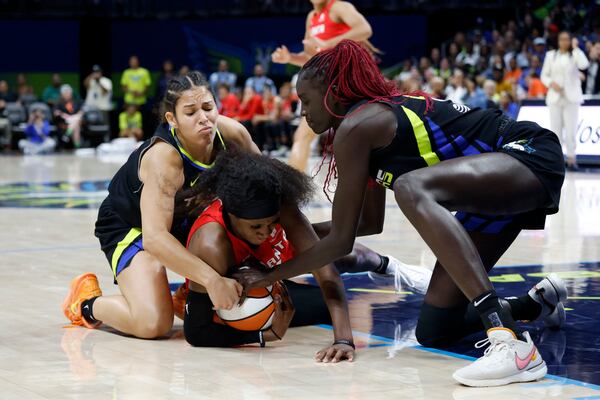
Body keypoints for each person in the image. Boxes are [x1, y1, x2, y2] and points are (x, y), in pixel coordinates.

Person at [235, 40, 568, 387]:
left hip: (524, 155)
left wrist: (267, 275)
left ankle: (509, 342)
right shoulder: (367, 125)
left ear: (333, 92)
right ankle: (534, 304)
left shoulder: (358, 126)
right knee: (436, 329)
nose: (301, 110)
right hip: (488, 191)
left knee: (411, 187)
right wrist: (291, 234)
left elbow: (340, 241)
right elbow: (367, 223)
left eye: (305, 100)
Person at [61, 71, 355, 361]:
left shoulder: (234, 135)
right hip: (134, 226)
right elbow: (156, 238)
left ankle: (189, 294)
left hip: (185, 219)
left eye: (208, 107)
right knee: (153, 324)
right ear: (172, 120)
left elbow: (268, 190)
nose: (203, 118)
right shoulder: (164, 160)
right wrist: (212, 280)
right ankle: (86, 303)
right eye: (190, 112)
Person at [182, 150, 350, 360]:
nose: (266, 232)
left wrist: (343, 341)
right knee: (326, 303)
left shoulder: (282, 206)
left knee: (339, 279)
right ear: (232, 215)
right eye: (256, 226)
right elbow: (196, 332)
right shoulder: (211, 245)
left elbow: (325, 270)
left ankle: (384, 264)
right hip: (226, 297)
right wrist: (263, 335)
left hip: (268, 275)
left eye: (273, 223)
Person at [271, 0, 376, 173]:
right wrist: (289, 58)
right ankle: (291, 194)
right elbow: (311, 57)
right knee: (302, 136)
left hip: (349, 80)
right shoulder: (311, 17)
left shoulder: (338, 7)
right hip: (326, 83)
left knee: (358, 138)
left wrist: (327, 44)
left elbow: (365, 29)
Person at [541, 31, 589, 170]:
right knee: (555, 130)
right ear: (558, 41)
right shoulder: (551, 56)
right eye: (562, 39)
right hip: (555, 98)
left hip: (571, 98)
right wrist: (551, 83)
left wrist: (576, 48)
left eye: (567, 39)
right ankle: (557, 160)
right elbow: (544, 75)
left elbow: (584, 65)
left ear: (571, 40)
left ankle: (571, 159)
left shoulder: (575, 55)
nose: (564, 42)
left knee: (571, 130)